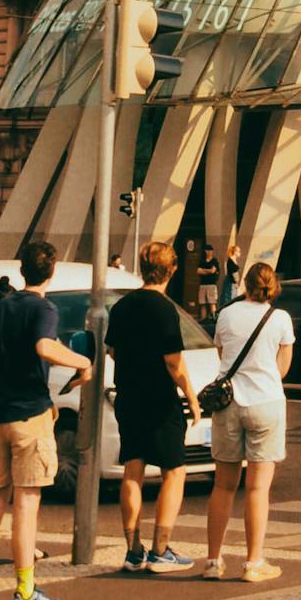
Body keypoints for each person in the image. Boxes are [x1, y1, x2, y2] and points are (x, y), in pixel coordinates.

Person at [0, 237, 90, 600]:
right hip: (28, 415)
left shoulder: (1, 307)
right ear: (52, 270)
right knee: (26, 503)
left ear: (21, 268)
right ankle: (25, 591)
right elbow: (45, 347)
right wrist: (83, 362)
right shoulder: (43, 308)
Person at [106, 239, 198, 575]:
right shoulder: (165, 309)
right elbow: (174, 363)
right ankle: (160, 550)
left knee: (133, 470)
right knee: (174, 470)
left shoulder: (122, 307)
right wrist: (191, 396)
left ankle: (133, 550)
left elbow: (113, 351)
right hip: (160, 399)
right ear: (171, 270)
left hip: (128, 396)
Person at [203, 261, 293, 583]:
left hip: (229, 404)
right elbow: (283, 368)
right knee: (257, 488)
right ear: (273, 286)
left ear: (245, 284)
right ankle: (253, 563)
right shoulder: (280, 319)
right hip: (266, 403)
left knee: (223, 485)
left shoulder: (227, 314)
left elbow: (222, 354)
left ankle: (213, 561)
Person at [196, 244, 219, 328]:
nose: (209, 252)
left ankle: (214, 321)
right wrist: (208, 271)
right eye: (207, 250)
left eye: (210, 250)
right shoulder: (202, 261)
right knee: (202, 303)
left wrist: (204, 270)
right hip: (203, 285)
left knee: (212, 303)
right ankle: (203, 320)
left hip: (211, 285)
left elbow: (213, 271)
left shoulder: (214, 261)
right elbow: (198, 271)